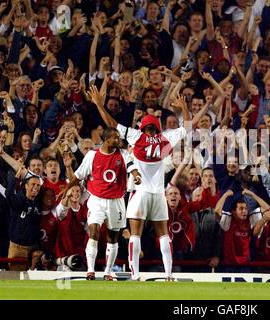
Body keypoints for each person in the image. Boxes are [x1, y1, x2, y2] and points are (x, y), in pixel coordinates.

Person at [87, 86, 205, 281]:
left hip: (139, 194)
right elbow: (187, 128)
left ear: (142, 126)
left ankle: (135, 275)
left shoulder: (137, 136)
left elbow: (112, 124)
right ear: (157, 127)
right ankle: (168, 274)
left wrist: (99, 104)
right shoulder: (164, 138)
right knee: (164, 235)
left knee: (135, 234)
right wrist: (184, 108)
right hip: (158, 195)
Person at [69, 126, 137, 281]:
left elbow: (131, 165)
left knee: (112, 238)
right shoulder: (92, 156)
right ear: (106, 140)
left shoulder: (124, 154)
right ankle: (90, 271)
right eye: (115, 137)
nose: (119, 140)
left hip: (117, 201)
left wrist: (135, 174)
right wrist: (66, 188)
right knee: (94, 231)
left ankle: (108, 272)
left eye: (119, 137)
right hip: (97, 200)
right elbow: (79, 175)